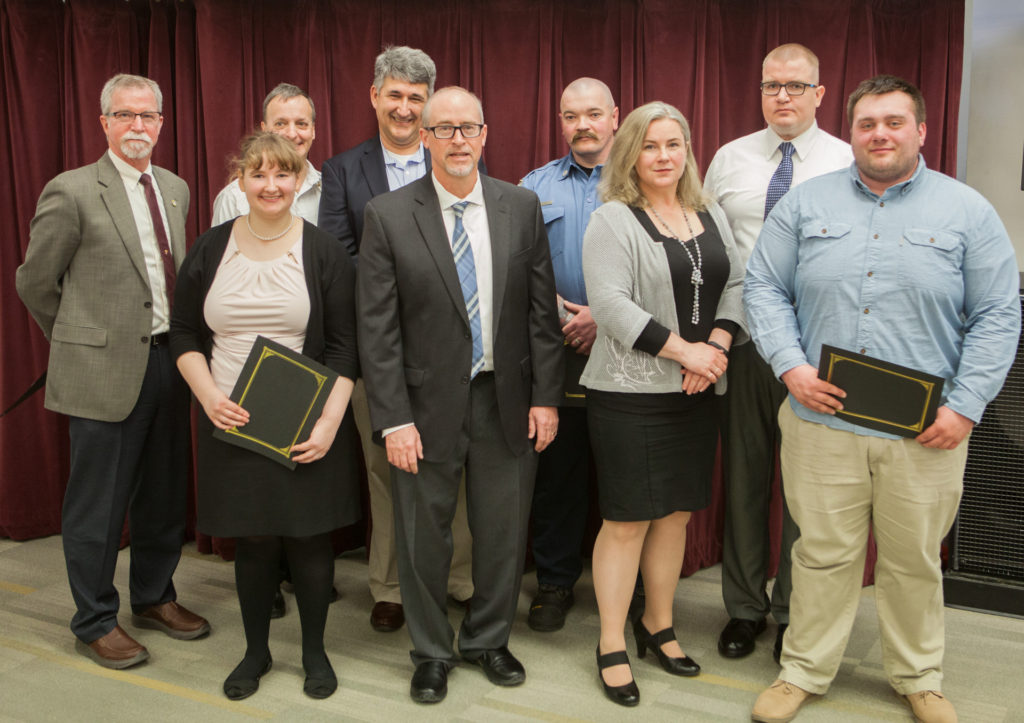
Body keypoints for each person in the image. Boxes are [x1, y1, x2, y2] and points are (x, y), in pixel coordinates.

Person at [745, 75, 1020, 723]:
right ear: (852, 132)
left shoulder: (967, 211)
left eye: (894, 122)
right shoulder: (806, 206)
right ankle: (803, 669)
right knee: (820, 552)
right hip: (820, 418)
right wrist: (789, 365)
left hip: (926, 430)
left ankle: (919, 675)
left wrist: (968, 404)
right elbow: (762, 287)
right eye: (867, 123)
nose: (880, 134)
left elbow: (998, 315)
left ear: (921, 131)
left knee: (913, 559)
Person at [357, 86, 563, 704]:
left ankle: (488, 640)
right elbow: (378, 330)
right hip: (422, 409)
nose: (457, 141)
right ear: (424, 137)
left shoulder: (520, 207)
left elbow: (539, 316)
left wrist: (546, 397)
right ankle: (431, 651)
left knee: (503, 531)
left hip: (506, 399)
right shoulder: (388, 214)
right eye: (443, 129)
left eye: (467, 128)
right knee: (425, 534)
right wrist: (393, 419)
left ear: (484, 134)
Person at [16, 73, 209, 670]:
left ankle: (154, 597)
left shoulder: (173, 187)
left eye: (148, 116)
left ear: (161, 123)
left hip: (168, 364)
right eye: (125, 116)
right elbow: (34, 282)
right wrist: (78, 341)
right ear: (103, 123)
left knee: (162, 495)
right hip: (101, 371)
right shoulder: (71, 191)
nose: (138, 127)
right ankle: (94, 619)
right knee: (97, 504)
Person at [170, 132, 359, 701]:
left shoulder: (323, 250)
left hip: (305, 420)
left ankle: (314, 653)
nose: (271, 186)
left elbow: (346, 348)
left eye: (283, 175)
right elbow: (184, 333)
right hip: (229, 418)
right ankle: (255, 652)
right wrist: (207, 398)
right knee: (252, 543)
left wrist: (328, 424)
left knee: (308, 543)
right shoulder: (210, 247)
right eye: (259, 175)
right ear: (241, 181)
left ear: (299, 180)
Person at [581, 101, 745, 707]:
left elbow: (740, 283)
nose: (664, 156)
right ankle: (610, 643)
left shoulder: (709, 212)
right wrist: (688, 354)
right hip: (630, 394)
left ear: (687, 151)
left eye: (673, 144)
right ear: (630, 152)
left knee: (675, 514)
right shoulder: (613, 220)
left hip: (699, 391)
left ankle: (658, 626)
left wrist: (719, 347)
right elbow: (612, 306)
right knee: (626, 520)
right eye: (650, 146)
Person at [703, 43, 852, 662]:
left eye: (795, 85)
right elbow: (706, 243)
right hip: (741, 343)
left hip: (817, 352)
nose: (782, 96)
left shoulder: (848, 160)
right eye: (770, 86)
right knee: (741, 480)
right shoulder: (729, 158)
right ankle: (744, 609)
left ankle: (793, 610)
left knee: (807, 489)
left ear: (820, 94)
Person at [319, 45, 474, 633]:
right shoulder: (341, 172)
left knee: (455, 466)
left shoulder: (458, 159)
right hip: (377, 352)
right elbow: (341, 260)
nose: (405, 108)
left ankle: (458, 576)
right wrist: (407, 291)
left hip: (453, 351)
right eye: (395, 95)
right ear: (374, 97)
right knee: (387, 471)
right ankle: (388, 587)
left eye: (416, 98)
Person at [519, 77, 618, 632]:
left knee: (621, 472)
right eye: (571, 115)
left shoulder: (639, 180)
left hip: (629, 350)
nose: (582, 124)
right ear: (561, 122)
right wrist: (565, 315)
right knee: (558, 472)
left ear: (614, 117)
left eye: (593, 113)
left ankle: (621, 588)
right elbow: (518, 266)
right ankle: (554, 582)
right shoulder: (533, 187)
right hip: (556, 350)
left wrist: (604, 315)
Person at [211, 83, 321, 225]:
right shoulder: (232, 198)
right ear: (264, 129)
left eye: (301, 124)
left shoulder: (331, 190)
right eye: (280, 124)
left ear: (313, 131)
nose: (292, 134)